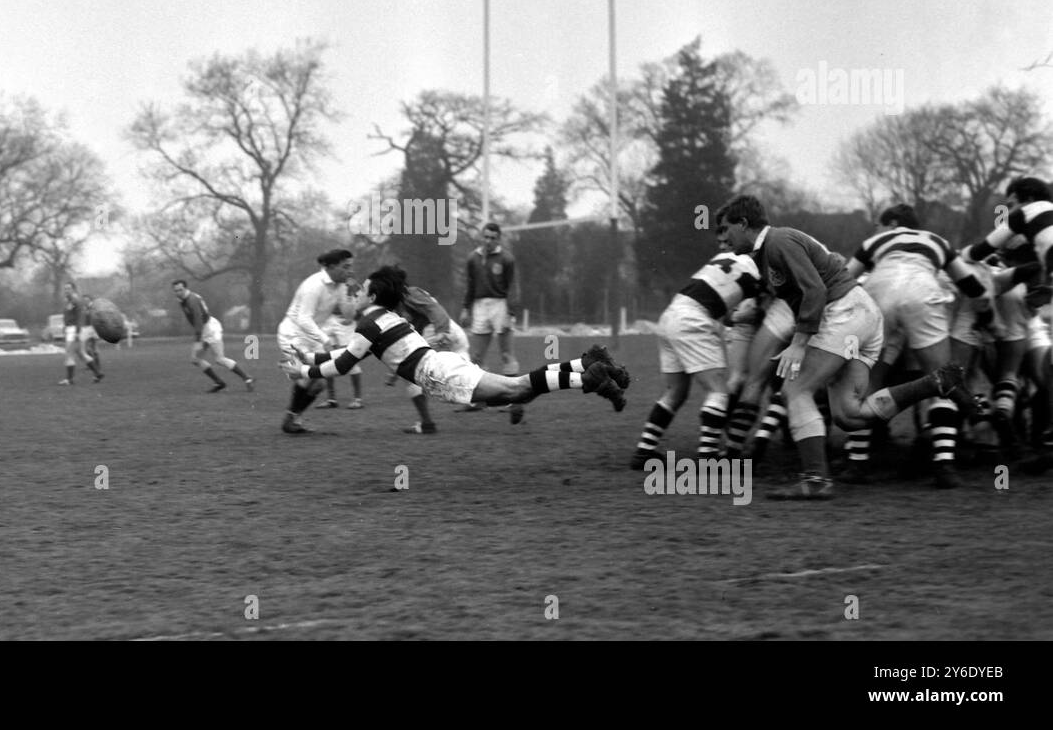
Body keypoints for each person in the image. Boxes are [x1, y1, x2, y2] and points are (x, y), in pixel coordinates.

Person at [717, 194, 975, 500]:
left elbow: (814, 290)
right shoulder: (768, 251)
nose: (722, 237)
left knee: (795, 390)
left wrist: (800, 343)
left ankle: (815, 480)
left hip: (846, 314)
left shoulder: (777, 241)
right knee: (849, 414)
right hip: (859, 316)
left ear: (743, 223)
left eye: (725, 228)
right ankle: (932, 384)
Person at [282, 265, 629, 415]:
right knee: (516, 390)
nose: (355, 294)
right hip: (441, 367)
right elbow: (344, 354)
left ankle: (589, 375)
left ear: (373, 296)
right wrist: (309, 358)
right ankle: (587, 362)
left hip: (439, 373)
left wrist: (303, 373)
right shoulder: (383, 318)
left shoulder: (369, 323)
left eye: (361, 291)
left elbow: (342, 365)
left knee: (518, 389)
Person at [837, 203, 990, 487]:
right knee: (944, 380)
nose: (877, 229)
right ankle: (944, 466)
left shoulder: (875, 241)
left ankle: (856, 464)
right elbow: (970, 285)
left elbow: (842, 279)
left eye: (880, 224)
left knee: (865, 384)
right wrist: (985, 312)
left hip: (878, 293)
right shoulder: (938, 241)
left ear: (893, 224)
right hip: (923, 292)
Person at [629, 222, 761, 468]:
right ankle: (709, 458)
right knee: (718, 391)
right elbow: (752, 309)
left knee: (675, 393)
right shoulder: (758, 267)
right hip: (694, 320)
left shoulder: (723, 257)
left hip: (670, 315)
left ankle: (644, 451)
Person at [276, 249, 356, 434]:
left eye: (351, 267)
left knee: (319, 384)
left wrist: (350, 293)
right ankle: (291, 419)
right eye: (346, 267)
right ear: (332, 267)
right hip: (293, 335)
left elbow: (348, 315)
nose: (349, 271)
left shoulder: (341, 286)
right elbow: (304, 318)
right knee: (307, 377)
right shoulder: (314, 285)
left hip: (312, 336)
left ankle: (292, 418)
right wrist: (326, 340)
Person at [393, 278, 477, 433]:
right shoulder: (404, 301)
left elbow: (434, 308)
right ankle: (511, 395)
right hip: (452, 333)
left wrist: (442, 331)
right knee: (470, 382)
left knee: (411, 373)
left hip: (440, 331)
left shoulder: (407, 294)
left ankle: (427, 423)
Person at [458, 222, 521, 414]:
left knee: (506, 354)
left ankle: (512, 399)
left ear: (498, 239)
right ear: (481, 237)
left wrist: (511, 312)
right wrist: (465, 308)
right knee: (476, 356)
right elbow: (469, 284)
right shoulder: (472, 258)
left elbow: (513, 287)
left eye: (493, 238)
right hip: (479, 306)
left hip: (500, 305)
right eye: (485, 237)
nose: (488, 241)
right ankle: (480, 400)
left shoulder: (507, 259)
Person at [171, 278, 254, 393]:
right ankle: (219, 383)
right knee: (196, 359)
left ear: (186, 288)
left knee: (219, 359)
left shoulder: (191, 300)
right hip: (204, 330)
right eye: (175, 291)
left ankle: (247, 378)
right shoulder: (182, 299)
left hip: (210, 329)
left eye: (180, 290)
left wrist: (198, 340)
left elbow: (199, 321)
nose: (178, 293)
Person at [314, 278, 365, 410]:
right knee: (325, 357)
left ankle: (357, 399)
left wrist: (354, 317)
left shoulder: (351, 282)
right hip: (328, 321)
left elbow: (362, 299)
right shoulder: (325, 283)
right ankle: (331, 399)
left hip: (345, 323)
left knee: (349, 358)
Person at [58, 282, 101, 385]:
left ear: (73, 289)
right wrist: (64, 326)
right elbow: (68, 316)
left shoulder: (76, 301)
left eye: (68, 288)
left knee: (69, 354)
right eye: (65, 289)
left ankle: (69, 379)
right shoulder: (68, 301)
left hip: (73, 330)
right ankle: (97, 373)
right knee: (81, 354)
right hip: (70, 329)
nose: (66, 290)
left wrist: (77, 332)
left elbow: (79, 318)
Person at [80, 294, 105, 383]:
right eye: (84, 300)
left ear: (90, 300)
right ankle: (95, 368)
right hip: (86, 329)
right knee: (87, 349)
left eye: (87, 300)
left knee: (93, 349)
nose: (85, 302)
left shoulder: (93, 308)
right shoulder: (84, 308)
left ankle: (97, 370)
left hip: (93, 329)